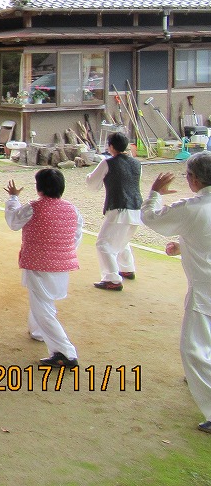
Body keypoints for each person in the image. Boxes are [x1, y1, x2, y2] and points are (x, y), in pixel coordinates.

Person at [140, 152, 211, 434]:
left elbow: (151, 217)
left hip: (205, 289)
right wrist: (184, 245)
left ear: (193, 179)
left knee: (192, 349)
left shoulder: (193, 208)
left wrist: (155, 193)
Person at [3, 169, 83, 370]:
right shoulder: (72, 209)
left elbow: (13, 221)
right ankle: (38, 331)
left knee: (43, 307)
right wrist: (61, 252)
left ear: (39, 188)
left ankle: (66, 352)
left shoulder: (33, 208)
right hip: (61, 265)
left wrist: (13, 198)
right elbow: (76, 236)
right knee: (43, 302)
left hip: (39, 265)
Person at [87, 131, 142, 291]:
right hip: (136, 208)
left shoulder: (108, 163)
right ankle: (127, 268)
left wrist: (88, 176)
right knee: (121, 239)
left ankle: (112, 278)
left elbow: (92, 183)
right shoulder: (137, 163)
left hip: (119, 207)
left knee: (103, 244)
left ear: (111, 146)